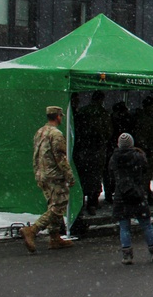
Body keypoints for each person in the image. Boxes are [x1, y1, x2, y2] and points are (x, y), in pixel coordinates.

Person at [20, 106, 76, 253]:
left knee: (53, 204)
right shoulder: (56, 134)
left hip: (42, 173)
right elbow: (60, 158)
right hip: (54, 175)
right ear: (58, 116)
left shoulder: (40, 132)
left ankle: (55, 237)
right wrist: (69, 175)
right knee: (59, 205)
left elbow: (36, 154)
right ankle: (33, 230)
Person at [108, 133, 153, 264]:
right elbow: (145, 169)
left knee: (124, 226)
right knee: (146, 224)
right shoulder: (138, 156)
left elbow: (111, 174)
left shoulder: (114, 158)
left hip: (121, 194)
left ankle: (127, 255)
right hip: (137, 193)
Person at [74, 90, 111, 216]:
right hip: (97, 149)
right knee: (95, 177)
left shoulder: (82, 111)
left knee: (82, 177)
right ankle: (92, 203)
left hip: (82, 150)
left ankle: (80, 203)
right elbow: (108, 132)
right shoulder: (103, 113)